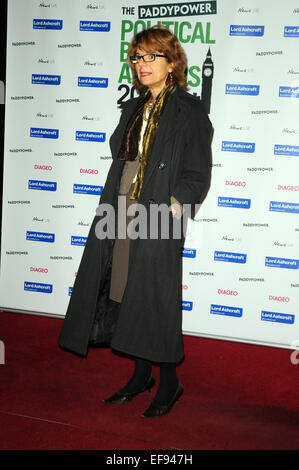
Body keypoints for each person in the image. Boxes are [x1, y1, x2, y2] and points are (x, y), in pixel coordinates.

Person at [58, 25, 212, 418]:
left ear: (172, 61)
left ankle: (169, 381)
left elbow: (197, 170)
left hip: (159, 211)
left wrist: (177, 204)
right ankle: (141, 374)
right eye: (137, 58)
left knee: (155, 297)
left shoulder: (188, 110)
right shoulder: (134, 107)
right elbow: (119, 152)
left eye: (151, 57)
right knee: (124, 289)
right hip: (122, 204)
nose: (142, 65)